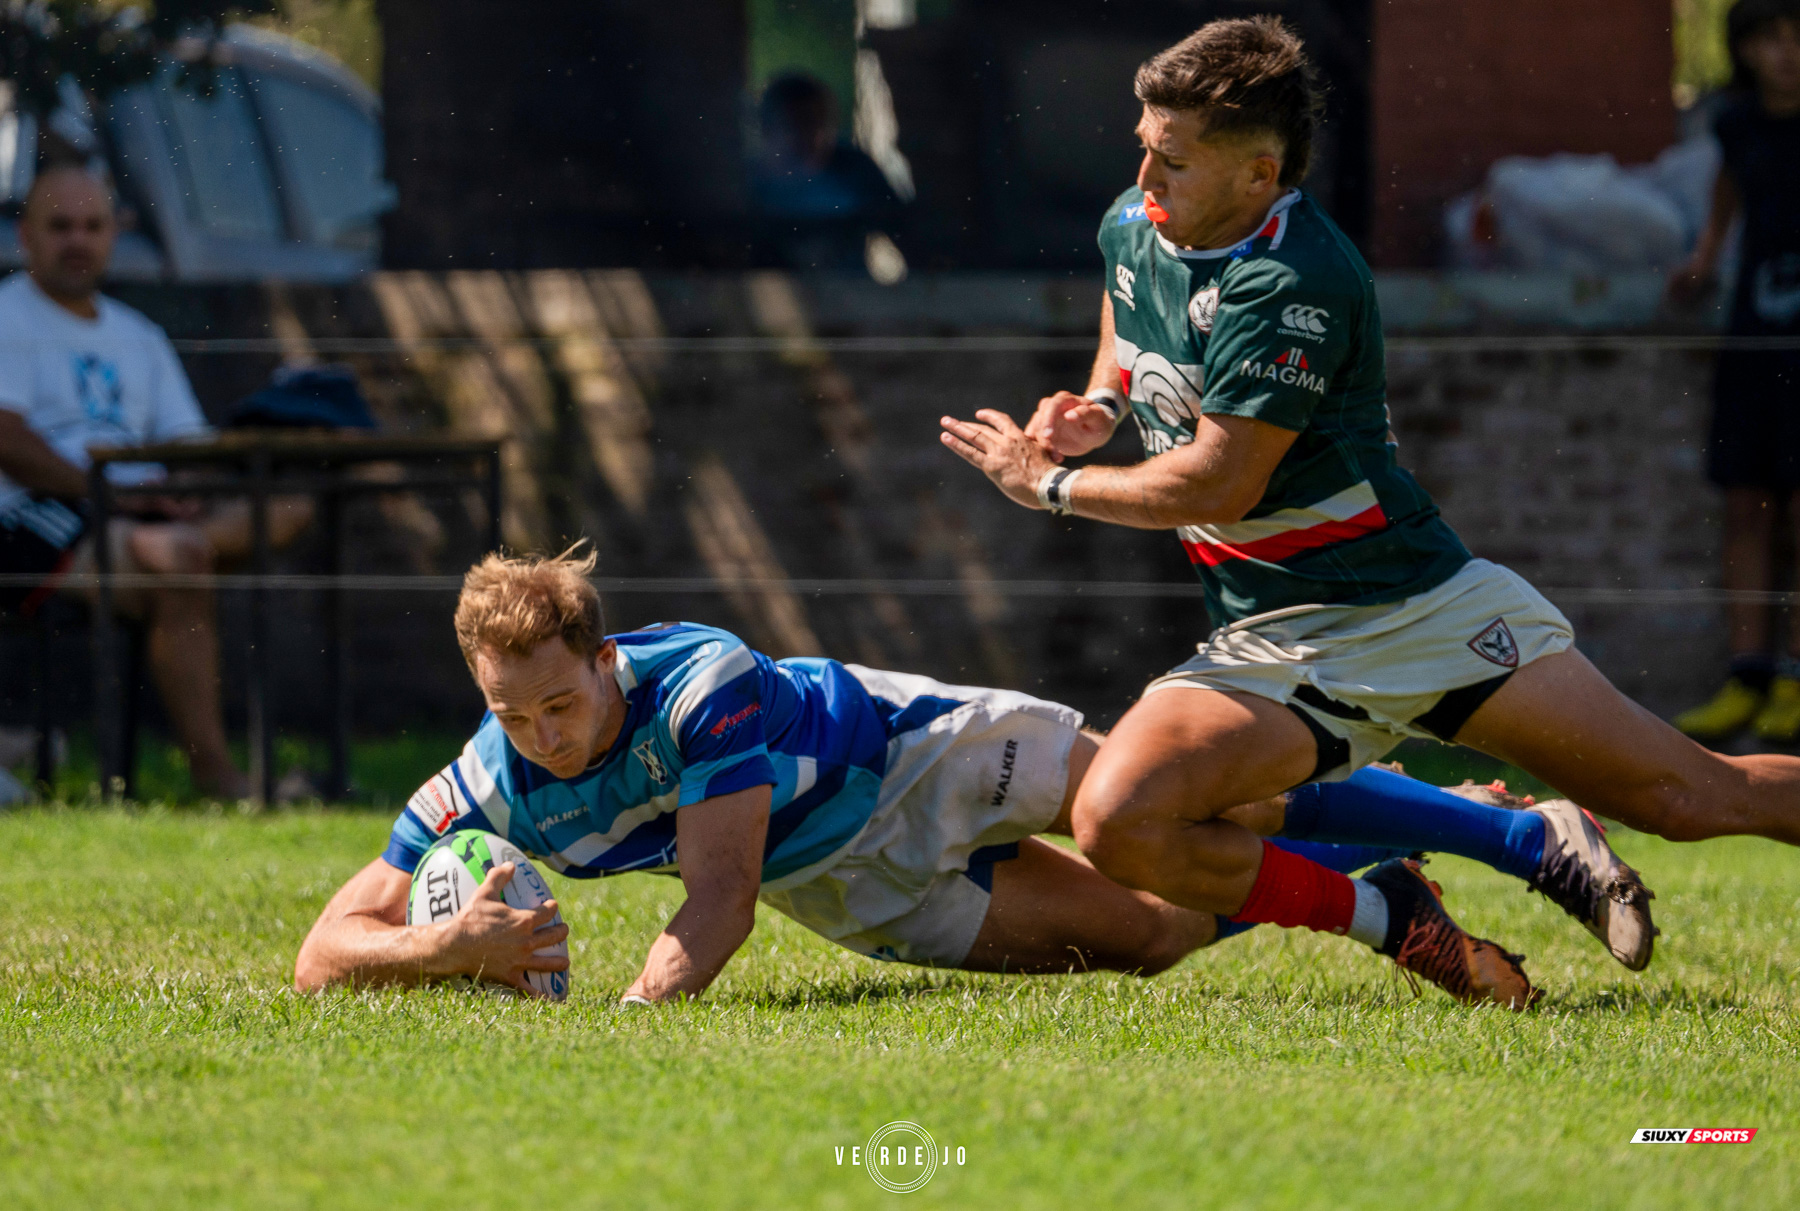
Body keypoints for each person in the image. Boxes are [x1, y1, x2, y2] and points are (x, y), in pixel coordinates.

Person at [939, 16, 1800, 961]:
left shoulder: (1296, 277)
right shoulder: (1138, 219)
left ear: (1259, 175)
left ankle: (1501, 839)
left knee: (1686, 799)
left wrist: (1052, 483)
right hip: (1268, 636)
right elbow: (1129, 296)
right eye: (1143, 147)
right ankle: (1406, 904)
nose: (1146, 178)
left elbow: (1219, 482)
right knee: (1122, 818)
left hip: (1415, 607)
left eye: (1173, 162)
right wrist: (1104, 403)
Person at [293, 549, 1549, 1008]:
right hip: (844, 877)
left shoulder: (698, 684)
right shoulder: (488, 779)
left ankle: (1506, 831)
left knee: (1186, 805)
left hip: (918, 751)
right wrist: (445, 947)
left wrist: (627, 1031)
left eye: (560, 703)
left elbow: (719, 899)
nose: (544, 737)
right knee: (1152, 934)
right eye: (511, 713)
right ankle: (1386, 881)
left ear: (603, 657)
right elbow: (320, 953)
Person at [0, 163, 302, 798]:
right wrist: (112, 494)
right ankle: (216, 774)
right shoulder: (8, 316)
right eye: (60, 226)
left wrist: (184, 485)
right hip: (40, 516)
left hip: (137, 513)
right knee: (180, 559)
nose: (77, 241)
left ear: (115, 233)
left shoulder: (139, 335)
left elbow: (187, 441)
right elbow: (9, 441)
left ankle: (173, 548)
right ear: (25, 235)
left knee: (288, 507)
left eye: (92, 226)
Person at [1669, 0, 1800, 744]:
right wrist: (1704, 258)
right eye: (1769, 39)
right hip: (1754, 333)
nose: (1786, 53)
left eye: (1797, 37)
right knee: (1746, 500)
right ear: (1744, 49)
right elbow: (1729, 191)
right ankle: (1747, 675)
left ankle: (1795, 681)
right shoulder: (1738, 124)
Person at [750, 73, 906, 273]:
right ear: (767, 129)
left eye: (819, 122)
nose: (811, 135)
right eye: (794, 124)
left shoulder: (856, 170)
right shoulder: (746, 182)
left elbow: (905, 233)